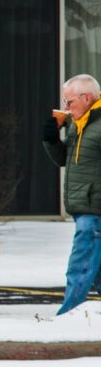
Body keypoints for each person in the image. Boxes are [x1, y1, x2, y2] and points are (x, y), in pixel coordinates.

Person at [42, 73, 101, 315]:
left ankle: (67, 314)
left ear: (86, 98)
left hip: (94, 209)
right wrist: (51, 138)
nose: (66, 107)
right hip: (84, 206)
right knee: (96, 271)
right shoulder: (79, 124)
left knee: (81, 264)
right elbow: (63, 159)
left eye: (70, 102)